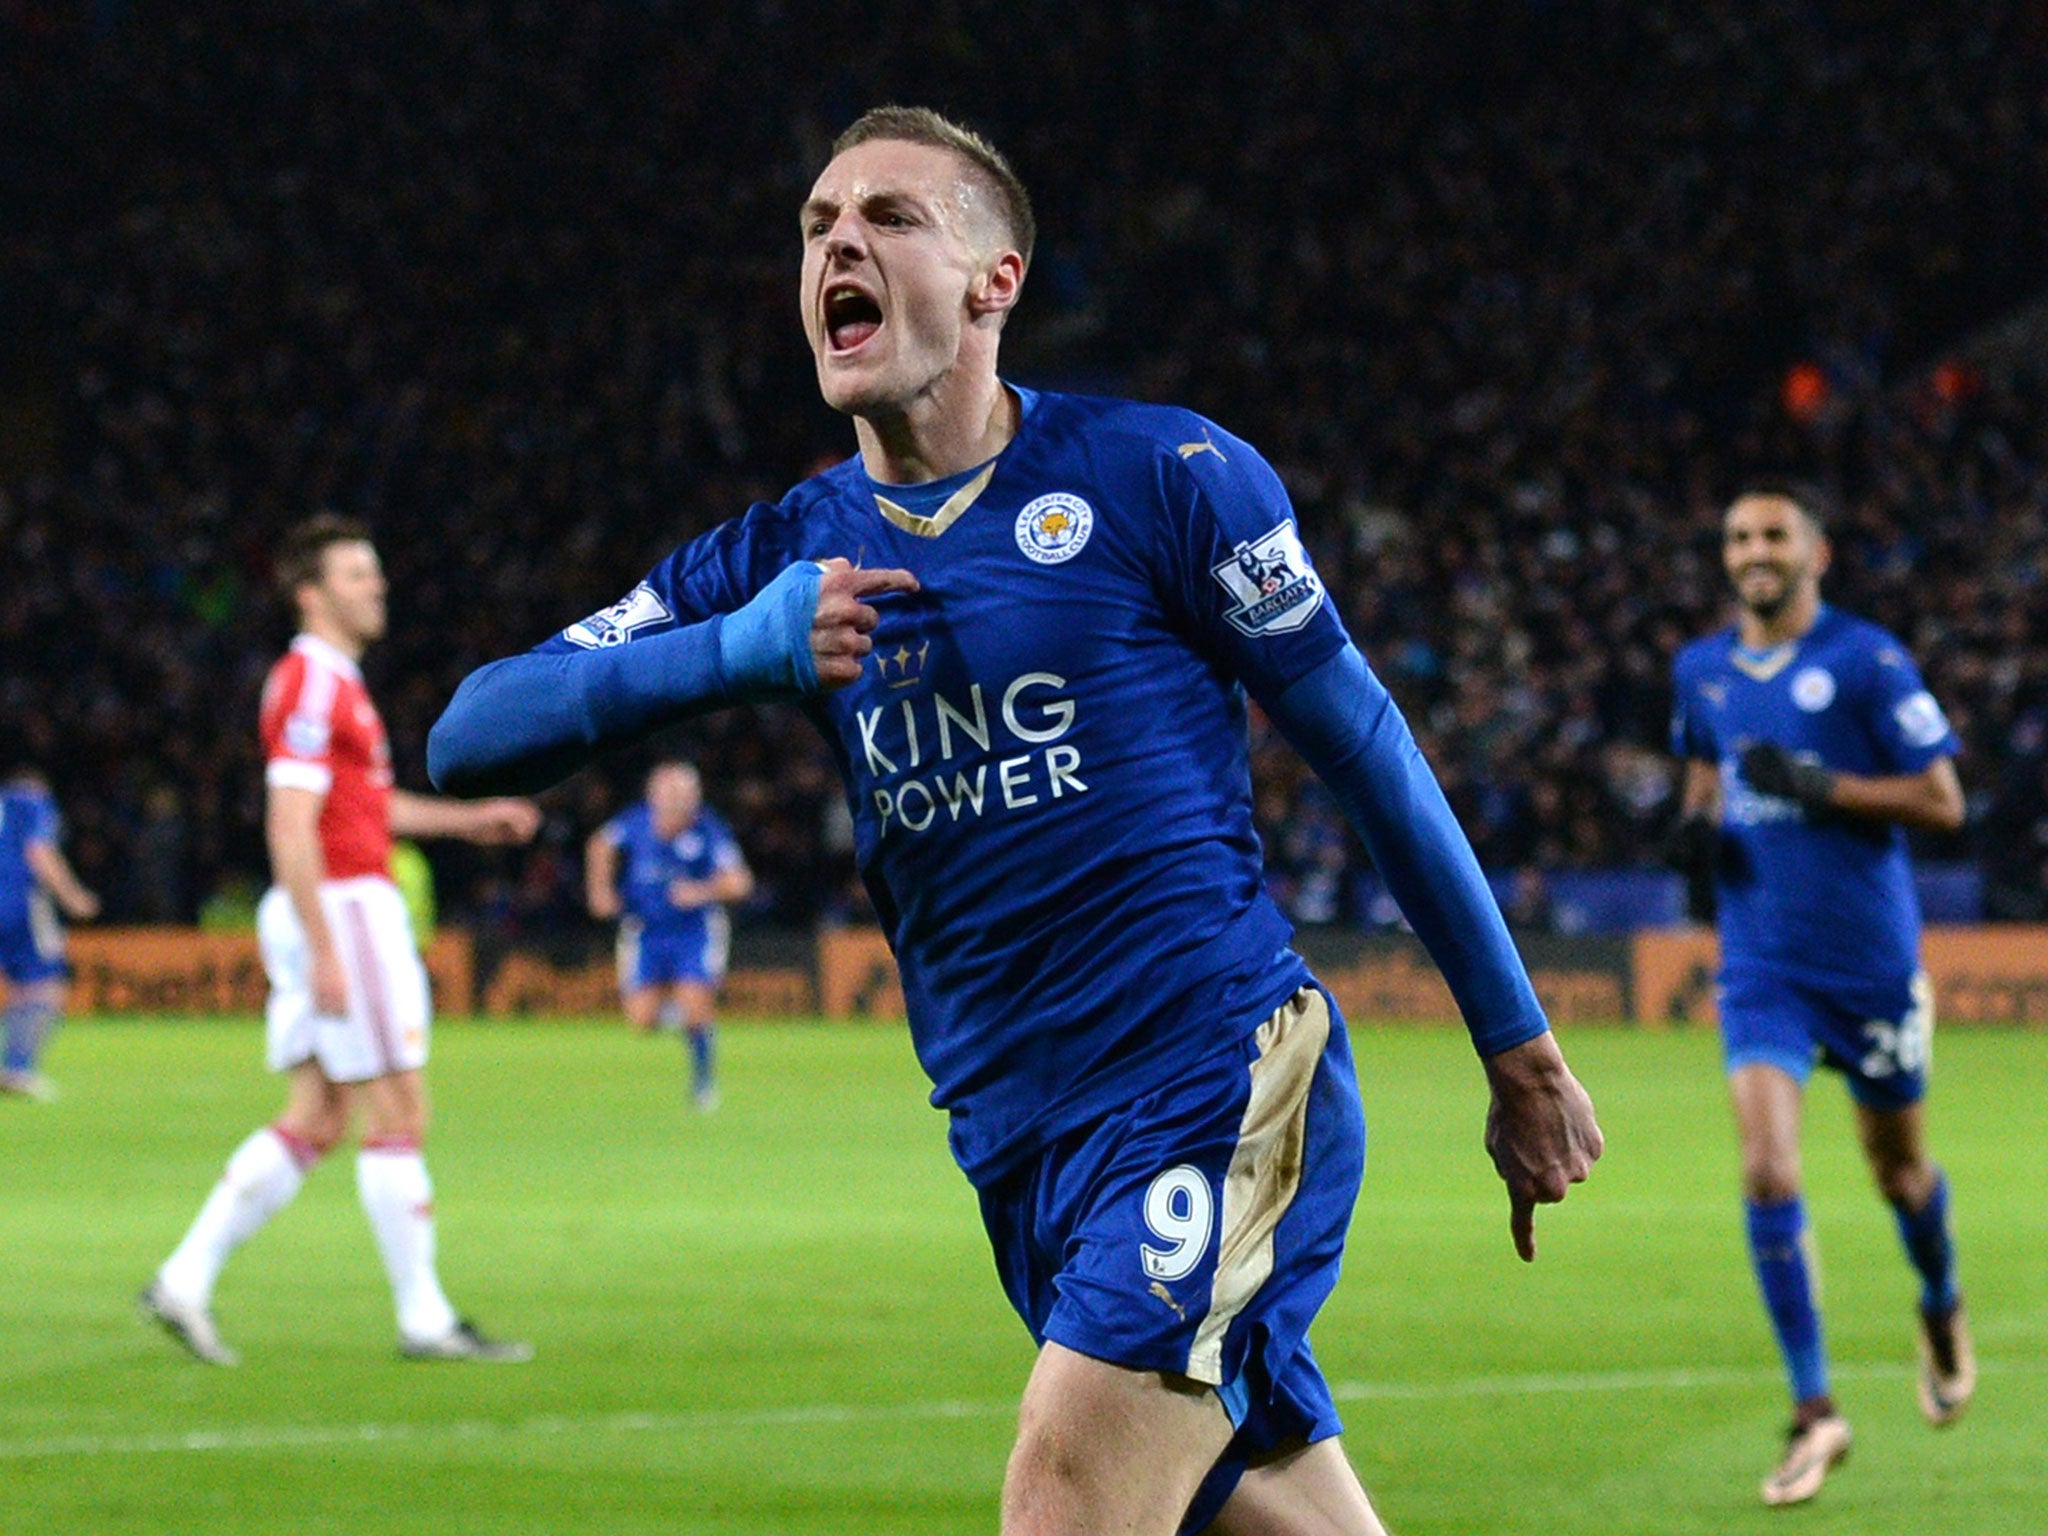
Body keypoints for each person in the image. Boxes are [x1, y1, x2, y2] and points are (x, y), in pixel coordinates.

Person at [429, 106, 1602, 1535]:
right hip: (1019, 1148)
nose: (837, 241)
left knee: (1063, 1491)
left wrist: (1517, 1046)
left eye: (890, 217)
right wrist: (735, 650)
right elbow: (471, 730)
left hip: (1208, 1080)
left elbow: (1364, 747)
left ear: (996, 283)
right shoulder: (781, 559)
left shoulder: (1162, 480)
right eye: (815, 226)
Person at [141, 514, 543, 1366]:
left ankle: (183, 1280)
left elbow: (360, 811)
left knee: (319, 1115)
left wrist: (471, 821)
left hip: (337, 901)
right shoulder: (312, 685)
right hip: (344, 910)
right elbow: (290, 824)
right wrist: (325, 946)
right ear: (311, 594)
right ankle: (425, 1320)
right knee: (399, 1105)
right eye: (358, 575)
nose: (377, 587)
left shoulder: (332, 685)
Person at [1670, 489, 1972, 1507]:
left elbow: (1941, 798)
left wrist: (1822, 789)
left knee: (1897, 1173)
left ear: (1815, 553)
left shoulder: (1865, 661)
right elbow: (1703, 786)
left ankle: (1937, 1300)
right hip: (1762, 966)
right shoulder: (1697, 670)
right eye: (1738, 538)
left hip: (1868, 966)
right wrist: (1691, 842)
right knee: (1764, 1167)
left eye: (1771, 537)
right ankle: (1814, 1411)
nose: (1753, 553)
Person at [585, 759, 754, 1109]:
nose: (678, 801)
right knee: (641, 1021)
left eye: (684, 793)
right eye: (670, 793)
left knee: (694, 1004)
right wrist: (600, 891)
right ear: (654, 795)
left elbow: (740, 882)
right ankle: (697, 1022)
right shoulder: (635, 823)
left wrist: (702, 891)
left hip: (695, 931)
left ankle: (703, 1081)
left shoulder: (709, 829)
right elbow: (599, 845)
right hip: (644, 931)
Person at [0, 766, 101, 1100]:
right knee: (45, 986)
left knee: (20, 989)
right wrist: (72, 897)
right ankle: (18, 1068)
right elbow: (39, 852)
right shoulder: (30, 802)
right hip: (18, 903)